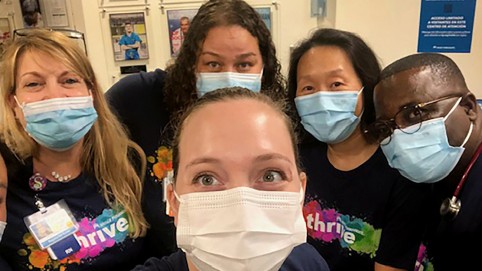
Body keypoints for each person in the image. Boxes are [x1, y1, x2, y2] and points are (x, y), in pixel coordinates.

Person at [106, 0, 286, 259]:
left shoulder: (276, 117)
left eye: (244, 65)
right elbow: (91, 137)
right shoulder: (139, 98)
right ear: (191, 64)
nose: (228, 76)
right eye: (213, 64)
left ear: (264, 68)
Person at [131, 87, 330, 271]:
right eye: (206, 178)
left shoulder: (307, 264)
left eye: (270, 175)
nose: (242, 209)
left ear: (301, 193)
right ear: (173, 201)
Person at [0, 28, 149, 270]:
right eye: (34, 84)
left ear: (90, 93)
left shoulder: (127, 163)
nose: (54, 96)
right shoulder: (5, 180)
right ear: (13, 103)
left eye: (69, 80)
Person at [286, 28, 430, 271]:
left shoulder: (401, 168)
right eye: (308, 88)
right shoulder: (295, 159)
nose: (322, 98)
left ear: (367, 87)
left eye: (336, 84)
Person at [371, 53, 482, 270]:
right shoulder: (431, 174)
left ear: (468, 107)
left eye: (415, 113)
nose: (401, 134)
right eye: (386, 127)